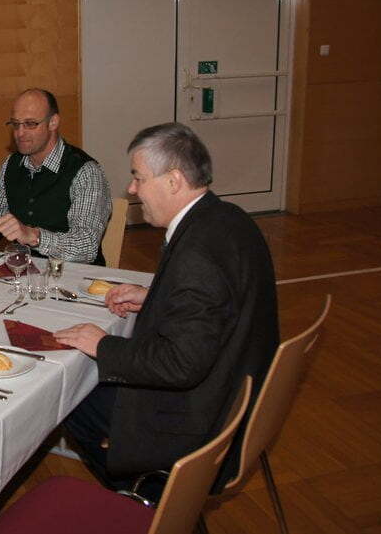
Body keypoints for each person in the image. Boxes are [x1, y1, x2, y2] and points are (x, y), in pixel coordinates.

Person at [54, 122, 279, 492]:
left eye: (138, 177)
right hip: (230, 384)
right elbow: (218, 302)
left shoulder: (197, 255)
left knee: (70, 395)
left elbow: (179, 364)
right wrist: (156, 296)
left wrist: (103, 344)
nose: (132, 189)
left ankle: (145, 494)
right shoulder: (228, 218)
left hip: (198, 419)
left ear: (174, 181)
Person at [0, 88, 112, 264]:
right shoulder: (11, 164)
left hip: (73, 275)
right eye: (16, 124)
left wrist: (34, 236)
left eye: (30, 124)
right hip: (22, 269)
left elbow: (87, 246)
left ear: (53, 122)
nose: (20, 133)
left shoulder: (85, 171)